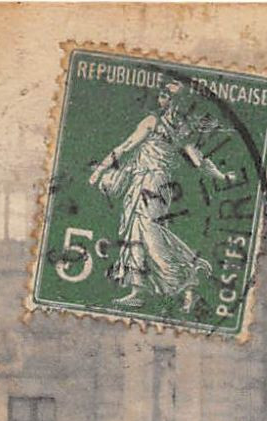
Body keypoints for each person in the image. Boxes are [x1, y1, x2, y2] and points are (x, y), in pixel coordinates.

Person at [88, 79, 234, 310]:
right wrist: (101, 169)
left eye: (168, 94)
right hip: (141, 182)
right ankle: (139, 290)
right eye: (163, 93)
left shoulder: (177, 129)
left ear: (177, 102)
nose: (162, 97)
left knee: (149, 232)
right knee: (135, 231)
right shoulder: (155, 122)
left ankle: (188, 274)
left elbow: (199, 161)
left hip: (156, 184)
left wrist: (222, 177)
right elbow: (125, 146)